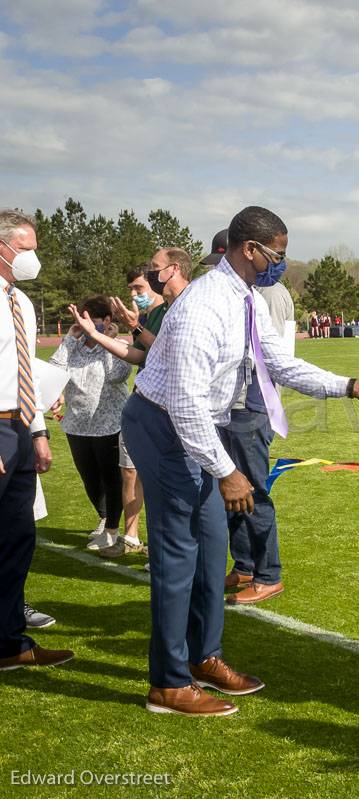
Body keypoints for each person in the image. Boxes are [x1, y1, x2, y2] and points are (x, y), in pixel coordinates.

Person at [123, 205, 359, 716]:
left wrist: (350, 386)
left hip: (198, 426)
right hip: (165, 427)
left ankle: (204, 657)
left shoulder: (245, 298)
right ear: (250, 250)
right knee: (178, 555)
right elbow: (184, 404)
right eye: (278, 254)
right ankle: (167, 684)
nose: (281, 264)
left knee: (212, 547)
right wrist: (227, 472)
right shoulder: (204, 305)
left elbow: (280, 363)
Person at [71, 252, 192, 558]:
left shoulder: (177, 309)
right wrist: (94, 334)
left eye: (140, 287)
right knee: (131, 473)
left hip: (170, 406)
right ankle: (131, 537)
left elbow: (167, 351)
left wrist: (135, 329)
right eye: (133, 289)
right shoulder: (151, 315)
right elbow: (137, 356)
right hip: (143, 405)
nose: (135, 293)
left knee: (164, 481)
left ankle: (164, 547)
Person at [200, 229, 296, 606]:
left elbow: (268, 358)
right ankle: (243, 565)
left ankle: (268, 573)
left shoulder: (264, 295)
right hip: (239, 405)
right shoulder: (257, 292)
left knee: (253, 490)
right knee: (234, 492)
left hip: (251, 406)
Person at [0, 208, 72, 669]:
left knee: (16, 538)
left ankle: (9, 643)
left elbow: (19, 367)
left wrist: (39, 427)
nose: (33, 258)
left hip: (20, 428)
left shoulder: (21, 301)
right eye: (27, 249)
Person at [50, 296, 132, 553]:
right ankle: (103, 517)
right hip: (77, 423)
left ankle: (112, 527)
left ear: (106, 320)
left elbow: (118, 375)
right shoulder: (74, 345)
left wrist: (105, 341)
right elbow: (54, 370)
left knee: (111, 478)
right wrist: (69, 337)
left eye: (91, 320)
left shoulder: (116, 345)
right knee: (90, 479)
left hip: (109, 422)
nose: (86, 325)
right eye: (81, 320)